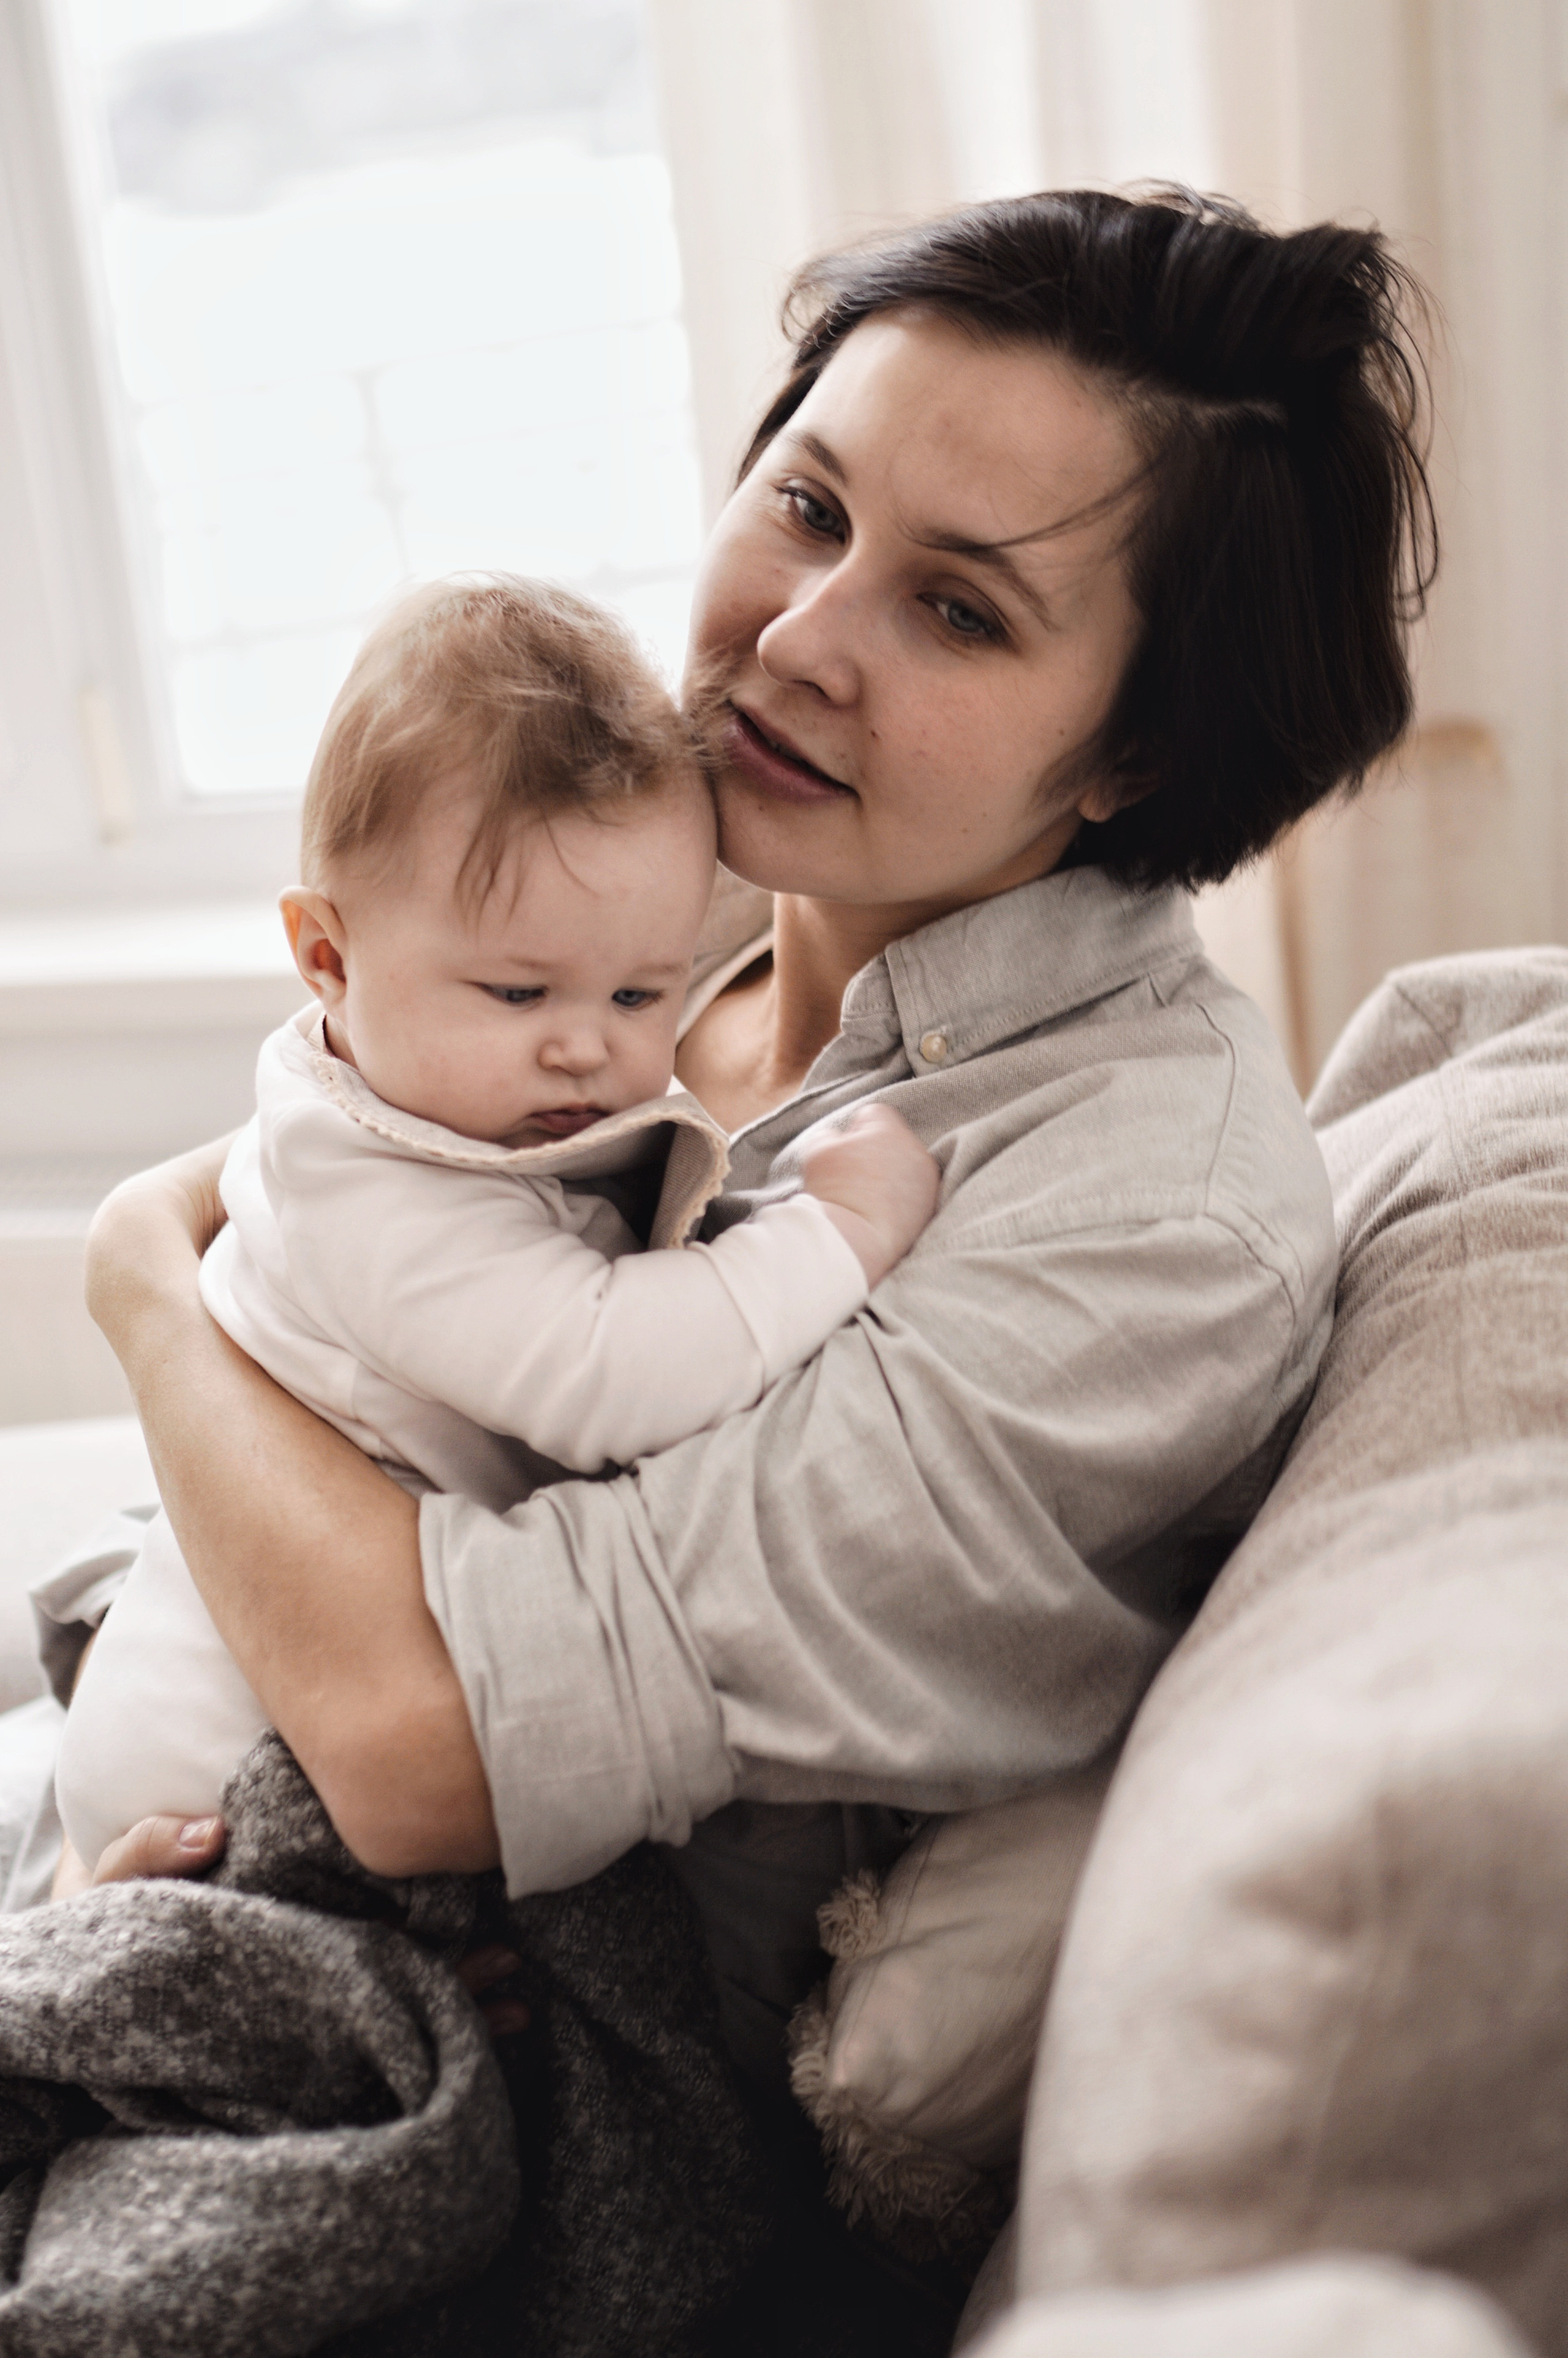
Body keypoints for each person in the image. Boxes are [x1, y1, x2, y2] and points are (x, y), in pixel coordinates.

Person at [56, 187, 1433, 2343]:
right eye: (807, 504)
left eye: (963, 615)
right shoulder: (684, 904)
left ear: (1139, 751)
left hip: (553, 2084)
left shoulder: (1138, 1221)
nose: (797, 641)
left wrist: (144, 1280)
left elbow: (435, 1744)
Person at [53, 575, 938, 1876]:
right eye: (517, 989)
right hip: (213, 1769)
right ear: (328, 960)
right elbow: (605, 1372)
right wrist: (835, 1235)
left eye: (642, 989)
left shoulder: (412, 1093)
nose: (585, 1043)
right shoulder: (377, 1195)